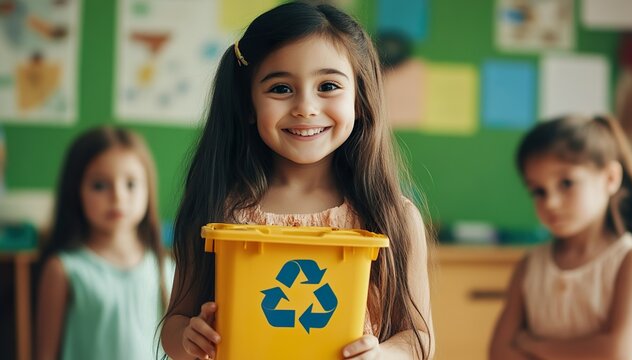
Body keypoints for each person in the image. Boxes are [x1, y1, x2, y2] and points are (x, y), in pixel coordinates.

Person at [160, 2, 434, 359]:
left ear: (361, 99)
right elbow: (174, 324)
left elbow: (419, 339)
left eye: (329, 85)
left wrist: (384, 356)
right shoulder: (219, 208)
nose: (306, 107)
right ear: (247, 103)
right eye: (280, 89)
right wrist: (187, 337)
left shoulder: (392, 216)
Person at [490, 115, 632, 359]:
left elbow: (616, 353)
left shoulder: (631, 260)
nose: (550, 202)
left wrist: (535, 345)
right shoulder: (530, 265)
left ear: (611, 178)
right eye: (539, 191)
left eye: (566, 183)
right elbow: (499, 352)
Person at [36, 127, 174, 360]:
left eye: (131, 184)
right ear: (76, 190)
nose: (118, 197)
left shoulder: (165, 267)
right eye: (100, 185)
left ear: (148, 189)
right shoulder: (63, 269)